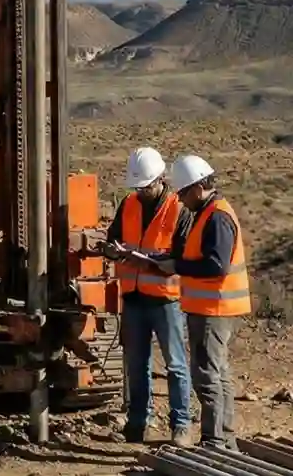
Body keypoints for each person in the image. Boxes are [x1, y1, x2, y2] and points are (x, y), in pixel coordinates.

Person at [154, 154, 251, 450]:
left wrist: (177, 267)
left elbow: (215, 265)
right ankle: (224, 438)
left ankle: (215, 441)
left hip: (214, 308)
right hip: (209, 307)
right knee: (217, 373)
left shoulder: (217, 216)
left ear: (197, 187)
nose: (181, 200)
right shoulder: (209, 213)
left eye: (183, 193)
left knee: (208, 376)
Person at [105, 147, 193, 446]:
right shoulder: (128, 203)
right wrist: (113, 251)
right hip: (134, 298)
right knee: (136, 363)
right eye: (137, 187)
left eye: (146, 187)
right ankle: (138, 422)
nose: (141, 192)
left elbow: (181, 258)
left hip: (166, 300)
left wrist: (150, 262)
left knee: (176, 365)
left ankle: (181, 425)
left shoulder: (178, 209)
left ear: (161, 180)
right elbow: (111, 238)